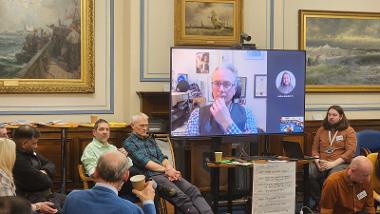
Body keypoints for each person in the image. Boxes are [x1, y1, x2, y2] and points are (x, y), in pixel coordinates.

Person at [124, 113, 213, 214]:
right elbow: (146, 163)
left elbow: (162, 157)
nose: (145, 128)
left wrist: (171, 169)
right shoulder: (129, 143)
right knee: (181, 197)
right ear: (132, 126)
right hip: (151, 176)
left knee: (193, 190)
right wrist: (167, 170)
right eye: (142, 126)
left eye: (146, 125)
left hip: (165, 172)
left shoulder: (150, 140)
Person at [63, 151, 156, 214]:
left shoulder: (72, 198)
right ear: (126, 175)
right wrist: (148, 202)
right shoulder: (131, 210)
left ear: (95, 172)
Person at [186, 65, 257, 136]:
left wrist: (226, 122)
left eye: (227, 84)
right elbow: (189, 145)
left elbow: (249, 145)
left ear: (234, 90)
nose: (221, 89)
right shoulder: (196, 114)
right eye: (217, 83)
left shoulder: (247, 113)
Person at [309, 105, 357, 207]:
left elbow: (350, 152)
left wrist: (333, 164)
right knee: (309, 172)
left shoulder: (349, 130)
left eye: (334, 115)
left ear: (341, 117)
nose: (331, 117)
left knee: (332, 177)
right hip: (322, 162)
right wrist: (317, 160)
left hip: (340, 163)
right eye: (329, 114)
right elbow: (314, 149)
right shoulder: (321, 130)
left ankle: (330, 204)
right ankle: (320, 202)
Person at [12, 125, 65, 209]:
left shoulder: (31, 152)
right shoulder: (17, 159)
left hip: (46, 195)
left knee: (73, 200)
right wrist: (46, 174)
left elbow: (50, 164)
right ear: (24, 144)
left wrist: (43, 171)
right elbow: (43, 181)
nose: (36, 146)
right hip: (30, 199)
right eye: (34, 143)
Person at [0, 138, 58, 213]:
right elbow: (9, 208)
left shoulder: (5, 173)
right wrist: (38, 207)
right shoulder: (3, 177)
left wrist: (37, 206)